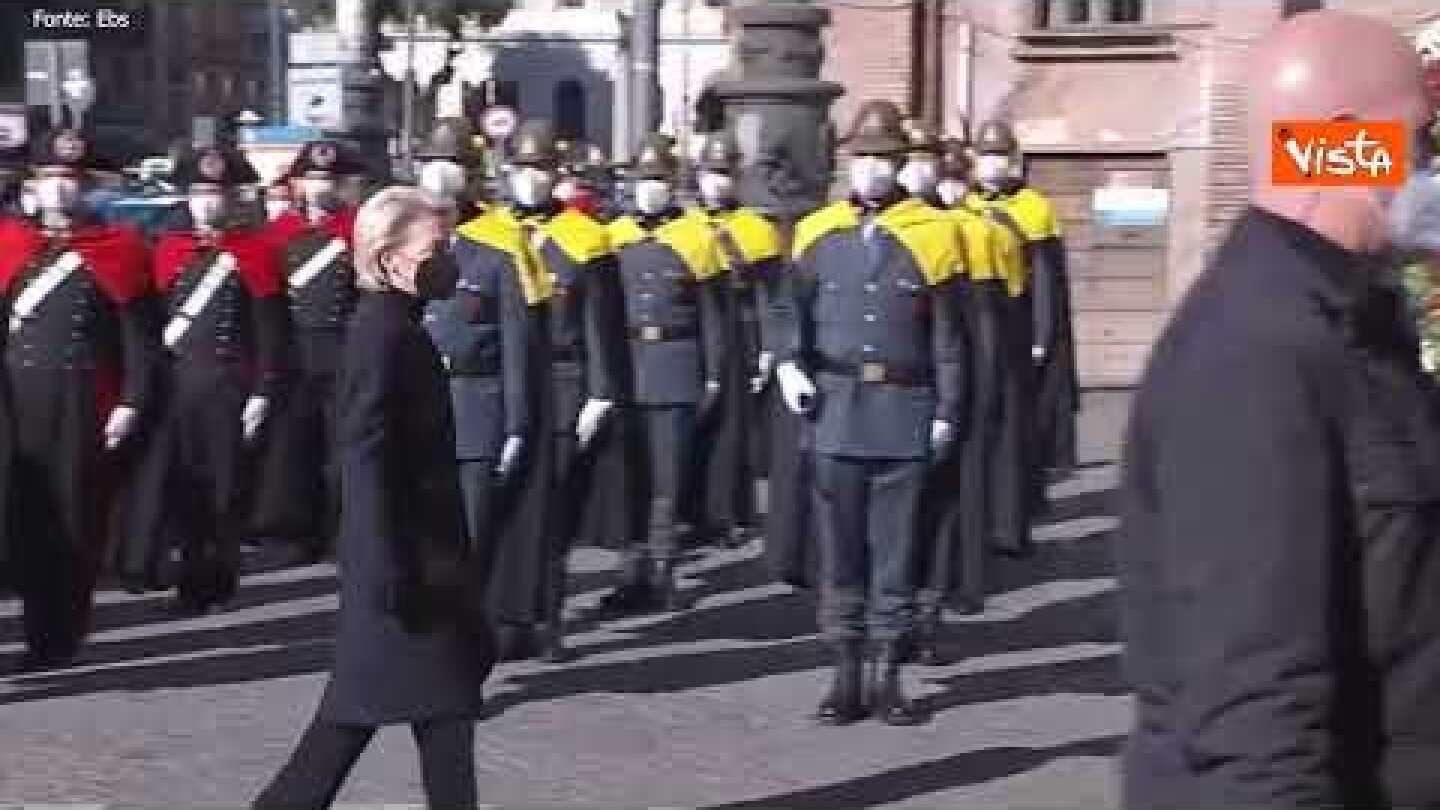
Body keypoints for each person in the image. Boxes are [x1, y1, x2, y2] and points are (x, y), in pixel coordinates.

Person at [1119, 11, 1440, 809]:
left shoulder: (1359, 318)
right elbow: (1254, 709)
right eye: (1422, 135)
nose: (1432, 163)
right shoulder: (1253, 351)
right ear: (1338, 141)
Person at [253, 186, 489, 810]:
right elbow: (362, 455)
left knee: (428, 718)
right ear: (390, 258)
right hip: (404, 567)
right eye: (436, 247)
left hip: (421, 560)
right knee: (367, 724)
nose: (450, 259)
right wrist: (385, 565)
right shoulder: (381, 334)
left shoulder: (399, 327)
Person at [776, 100, 969, 726]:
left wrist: (947, 408)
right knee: (841, 552)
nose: (874, 172)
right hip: (835, 410)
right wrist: (786, 362)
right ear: (846, 164)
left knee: (896, 550)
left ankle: (889, 675)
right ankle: (844, 675)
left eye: (885, 160)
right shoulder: (816, 232)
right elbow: (789, 312)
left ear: (901, 164)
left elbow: (950, 337)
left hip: (905, 411)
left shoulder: (937, 235)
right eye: (864, 159)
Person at [0, 129, 154, 671]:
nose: (59, 190)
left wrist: (131, 401)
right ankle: (34, 619)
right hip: (17, 398)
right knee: (23, 516)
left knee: (73, 516)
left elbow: (137, 336)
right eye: (49, 179)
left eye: (70, 180)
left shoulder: (118, 250)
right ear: (33, 185)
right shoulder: (9, 244)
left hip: (83, 399)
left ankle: (59, 632)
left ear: (87, 186)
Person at [474, 120, 626, 661]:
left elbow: (602, 322)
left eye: (542, 170)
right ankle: (500, 617)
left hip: (562, 381)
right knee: (500, 505)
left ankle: (550, 616)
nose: (532, 180)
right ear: (506, 173)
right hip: (501, 385)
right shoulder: (483, 234)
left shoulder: (586, 237)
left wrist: (600, 391)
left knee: (553, 507)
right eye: (523, 169)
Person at [116, 146, 288, 611]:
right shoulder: (167, 249)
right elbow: (149, 320)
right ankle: (183, 570)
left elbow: (270, 330)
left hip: (226, 385)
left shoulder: (255, 253)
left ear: (233, 198)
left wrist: (262, 391)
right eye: (199, 192)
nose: (208, 202)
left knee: (225, 487)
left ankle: (219, 572)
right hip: (175, 386)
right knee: (180, 484)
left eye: (217, 192)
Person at [599, 133, 727, 615]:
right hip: (626, 363)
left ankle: (662, 571)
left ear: (674, 183)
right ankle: (630, 572)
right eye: (643, 179)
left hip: (674, 363)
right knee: (628, 474)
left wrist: (714, 373)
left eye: (659, 179)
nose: (650, 187)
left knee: (667, 479)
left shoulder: (697, 237)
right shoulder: (613, 235)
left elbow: (714, 316)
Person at [428, 137, 543, 652]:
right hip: (425, 412)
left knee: (473, 538)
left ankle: (467, 645)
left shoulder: (493, 261)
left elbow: (517, 348)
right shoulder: (407, 262)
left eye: (441, 210)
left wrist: (517, 424)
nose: (433, 219)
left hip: (477, 409)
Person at [913, 132, 1014, 663]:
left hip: (951, 374)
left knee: (944, 499)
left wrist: (980, 388)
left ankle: (929, 611)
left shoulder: (973, 231)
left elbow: (987, 318)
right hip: (894, 387)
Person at [251, 141, 361, 560]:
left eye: (328, 180)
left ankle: (340, 528)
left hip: (341, 345)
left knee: (342, 445)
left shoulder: (357, 232)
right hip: (293, 348)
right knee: (291, 445)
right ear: (295, 184)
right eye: (312, 179)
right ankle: (292, 530)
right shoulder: (276, 236)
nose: (320, 188)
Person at [963, 121, 1057, 557]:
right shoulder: (959, 205)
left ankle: (1010, 523)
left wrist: (1040, 335)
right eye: (985, 155)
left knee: (1012, 427)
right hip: (970, 322)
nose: (991, 163)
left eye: (999, 155)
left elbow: (1044, 279)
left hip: (1014, 322)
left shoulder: (1035, 208)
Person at [690, 129, 783, 550]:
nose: (717, 181)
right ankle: (688, 511)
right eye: (710, 172)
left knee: (733, 425)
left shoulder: (756, 227)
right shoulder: (685, 225)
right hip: (693, 330)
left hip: (740, 326)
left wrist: (767, 347)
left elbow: (769, 293)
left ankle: (727, 513)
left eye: (724, 172)